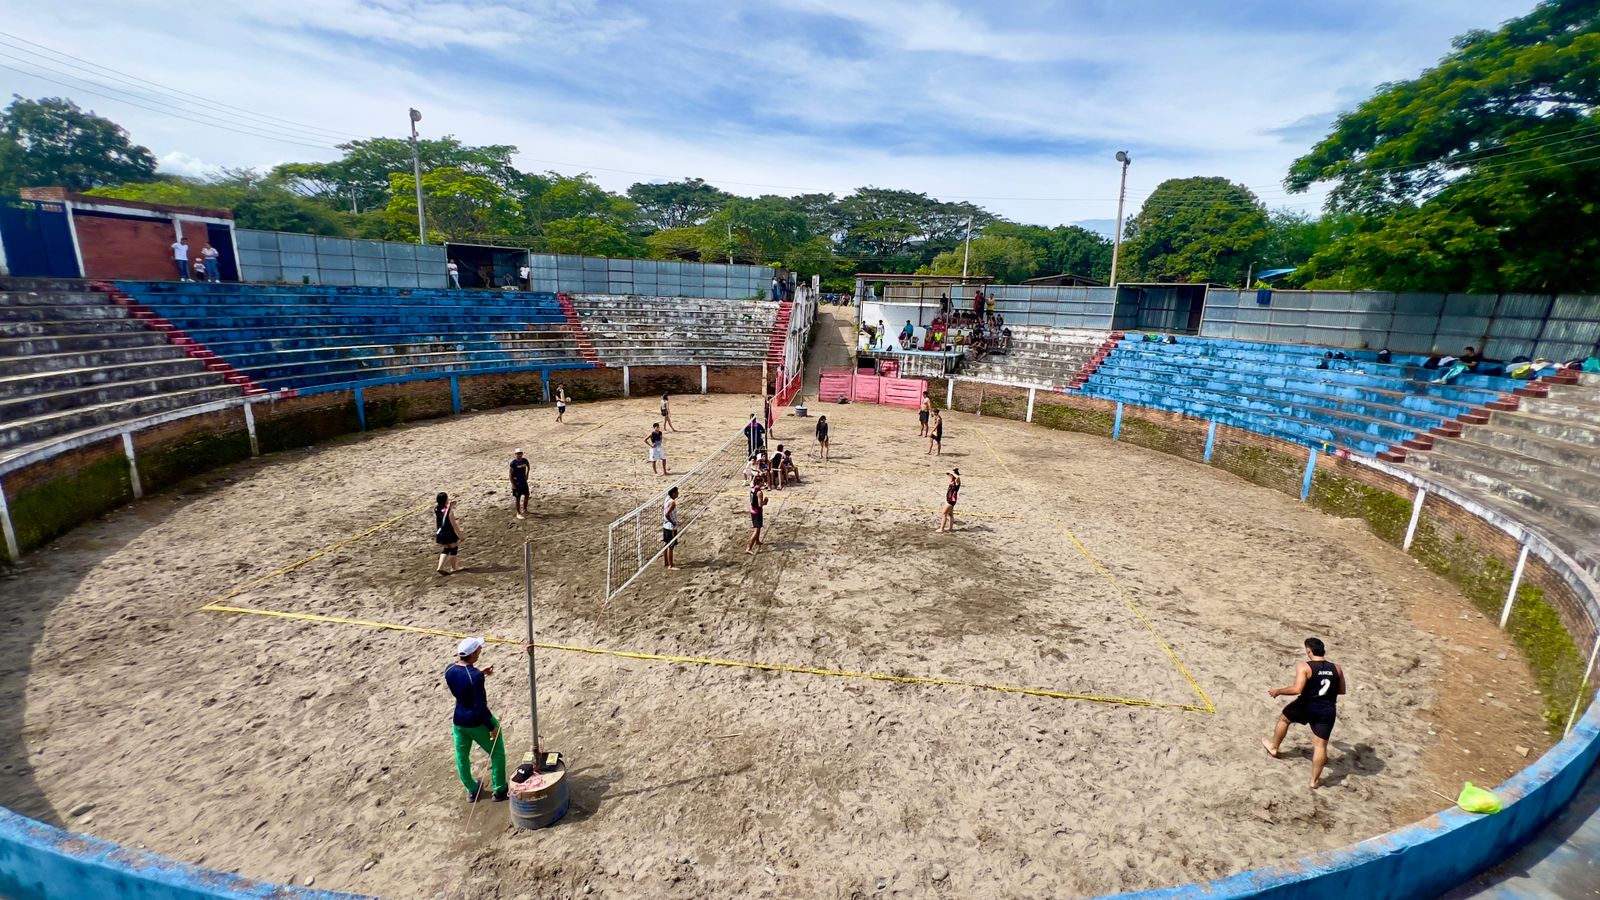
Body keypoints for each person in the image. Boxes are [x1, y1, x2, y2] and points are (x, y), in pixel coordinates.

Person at [1263, 637, 1347, 789]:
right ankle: (1314, 781)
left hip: (1306, 705)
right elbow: (1342, 690)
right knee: (1320, 746)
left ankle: (1274, 748)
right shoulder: (1337, 668)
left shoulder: (1304, 666)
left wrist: (1278, 691)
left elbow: (1297, 689)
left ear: (1309, 651)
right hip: (1327, 710)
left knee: (1284, 719)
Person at [445, 637, 508, 802]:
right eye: (478, 649)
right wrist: (491, 727)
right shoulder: (475, 677)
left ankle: (472, 790)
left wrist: (480, 673)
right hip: (477, 722)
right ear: (472, 654)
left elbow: (463, 682)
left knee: (461, 756)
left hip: (458, 722)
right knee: (497, 753)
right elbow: (479, 707)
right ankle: (500, 789)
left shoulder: (449, 669)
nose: (481, 649)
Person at [434, 492, 462, 574]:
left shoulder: (437, 509)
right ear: (446, 500)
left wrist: (449, 505)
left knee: (446, 549)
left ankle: (440, 567)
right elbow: (454, 525)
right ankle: (454, 568)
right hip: (449, 533)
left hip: (440, 533)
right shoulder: (449, 512)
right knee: (453, 549)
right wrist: (461, 535)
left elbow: (443, 512)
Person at [746, 477, 767, 555]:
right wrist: (765, 502)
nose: (764, 482)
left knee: (759, 527)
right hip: (757, 512)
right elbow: (760, 504)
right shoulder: (759, 492)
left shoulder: (753, 489)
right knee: (756, 530)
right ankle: (749, 548)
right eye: (763, 481)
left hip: (753, 510)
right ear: (760, 482)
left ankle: (757, 541)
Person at [662, 485, 681, 570]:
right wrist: (673, 522)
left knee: (666, 544)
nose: (678, 494)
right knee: (671, 546)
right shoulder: (673, 502)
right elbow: (667, 514)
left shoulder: (667, 498)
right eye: (677, 492)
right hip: (670, 527)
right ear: (673, 493)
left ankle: (666, 562)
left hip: (665, 525)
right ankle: (671, 565)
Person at [509, 450, 531, 520]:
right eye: (518, 454)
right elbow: (510, 475)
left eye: (520, 453)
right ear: (515, 454)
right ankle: (518, 513)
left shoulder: (525, 460)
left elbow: (528, 467)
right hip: (517, 482)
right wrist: (513, 484)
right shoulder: (513, 463)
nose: (519, 455)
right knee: (518, 498)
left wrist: (527, 474)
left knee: (527, 495)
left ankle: (525, 509)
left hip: (523, 481)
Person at [938, 468, 961, 533]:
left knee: (944, 514)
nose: (950, 476)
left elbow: (958, 477)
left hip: (951, 500)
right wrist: (950, 472)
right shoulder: (952, 481)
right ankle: (950, 528)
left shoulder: (957, 481)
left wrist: (952, 473)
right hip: (950, 499)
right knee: (950, 514)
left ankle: (941, 529)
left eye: (951, 475)